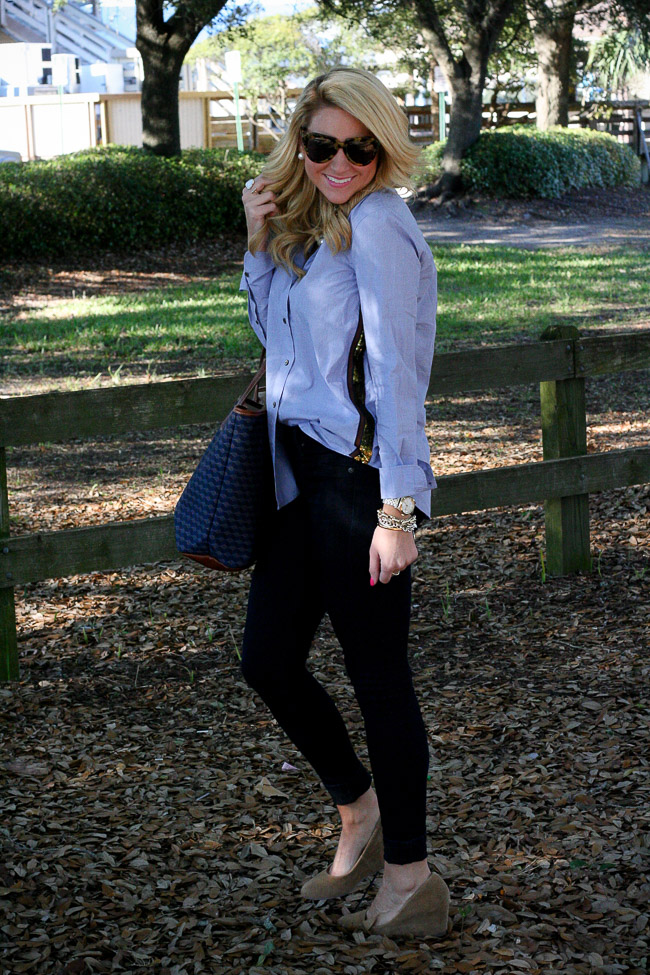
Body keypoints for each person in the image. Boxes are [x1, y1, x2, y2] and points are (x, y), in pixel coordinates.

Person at [238, 66, 449, 939]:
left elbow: (398, 373)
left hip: (358, 484)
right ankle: (358, 809)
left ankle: (410, 878)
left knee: (379, 680)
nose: (339, 163)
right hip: (298, 479)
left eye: (360, 149)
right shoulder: (318, 223)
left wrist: (399, 511)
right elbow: (276, 342)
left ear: (382, 149)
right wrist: (258, 246)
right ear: (301, 142)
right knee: (266, 659)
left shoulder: (381, 225)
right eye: (323, 145)